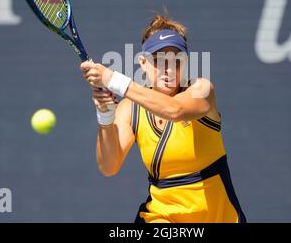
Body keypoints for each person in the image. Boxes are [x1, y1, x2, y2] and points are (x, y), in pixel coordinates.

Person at [80, 14, 246, 223]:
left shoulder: (202, 90)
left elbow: (174, 110)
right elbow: (108, 166)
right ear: (143, 62)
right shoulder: (130, 108)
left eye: (176, 61)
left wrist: (113, 79)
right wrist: (105, 115)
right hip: (162, 218)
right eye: (159, 61)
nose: (168, 70)